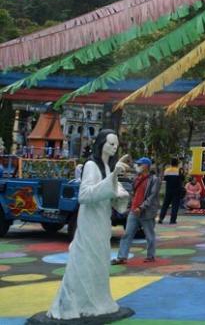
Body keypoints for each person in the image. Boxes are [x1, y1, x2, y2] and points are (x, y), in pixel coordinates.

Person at [47, 130, 131, 320]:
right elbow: (84, 195)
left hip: (102, 220)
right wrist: (112, 180)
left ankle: (97, 300)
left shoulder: (108, 167)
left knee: (100, 260)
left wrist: (119, 192)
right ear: (101, 144)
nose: (114, 147)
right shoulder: (91, 166)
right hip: (89, 222)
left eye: (116, 144)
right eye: (110, 143)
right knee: (85, 259)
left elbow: (112, 192)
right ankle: (75, 303)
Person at [113, 157, 159, 265]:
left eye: (140, 164)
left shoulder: (154, 180)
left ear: (146, 166)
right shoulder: (136, 178)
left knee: (149, 235)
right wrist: (131, 206)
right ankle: (121, 257)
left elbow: (152, 197)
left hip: (146, 212)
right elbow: (133, 193)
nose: (137, 166)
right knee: (127, 234)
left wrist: (141, 207)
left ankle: (150, 255)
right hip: (134, 211)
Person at [158, 157, 183, 224]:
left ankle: (161, 218)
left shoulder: (167, 170)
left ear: (171, 163)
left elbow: (165, 179)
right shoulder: (179, 170)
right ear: (177, 163)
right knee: (175, 205)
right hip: (177, 190)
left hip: (168, 189)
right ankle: (172, 220)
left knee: (165, 204)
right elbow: (181, 179)